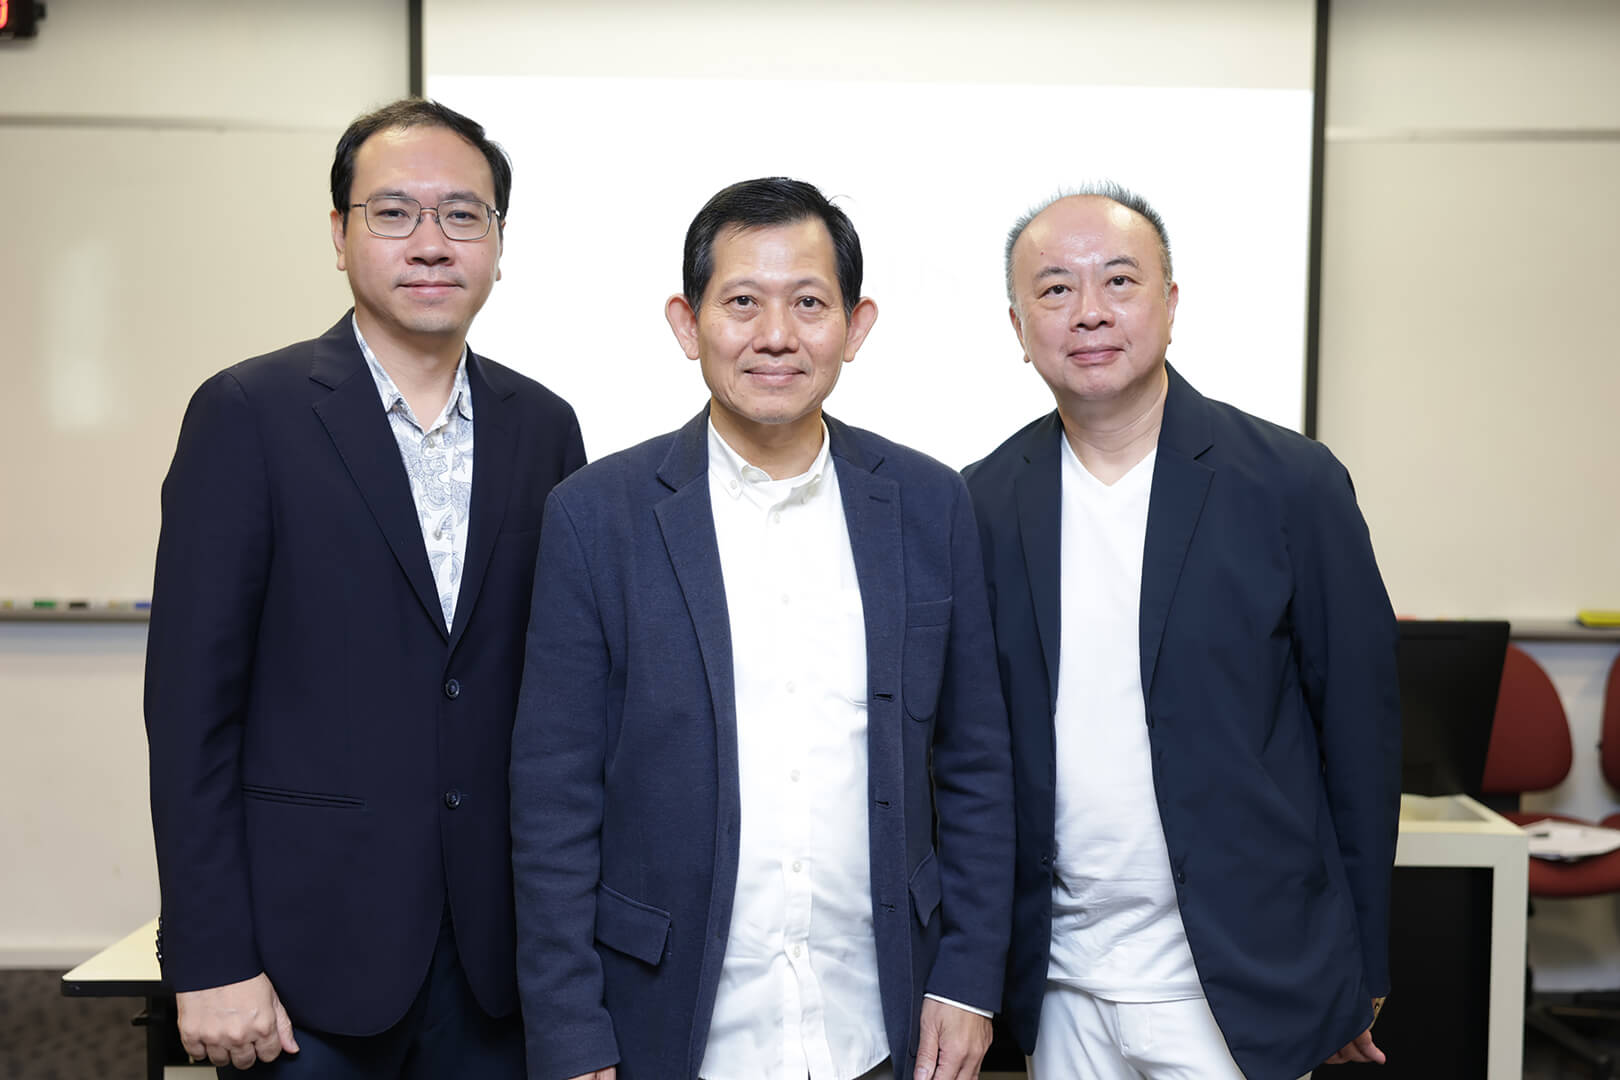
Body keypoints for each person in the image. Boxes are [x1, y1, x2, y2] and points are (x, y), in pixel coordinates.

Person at [509, 177, 1013, 1080]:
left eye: (809, 303)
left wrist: (970, 982)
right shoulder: (596, 517)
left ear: (855, 328)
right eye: (742, 302)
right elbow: (553, 798)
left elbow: (975, 765)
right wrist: (569, 1031)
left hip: (882, 1022)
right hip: (666, 1026)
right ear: (685, 321)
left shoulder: (930, 504)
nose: (775, 335)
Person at [144, 98, 586, 1076]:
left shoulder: (545, 428)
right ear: (340, 236)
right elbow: (189, 716)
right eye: (394, 213)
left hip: (496, 966)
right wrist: (212, 957)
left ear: (499, 245)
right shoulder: (247, 415)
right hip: (304, 972)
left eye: (463, 215)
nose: (431, 243)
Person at [962, 184, 1401, 1079]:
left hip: (1237, 980)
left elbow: (1359, 733)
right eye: (1054, 291)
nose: (1089, 312)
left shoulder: (1291, 485)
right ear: (1017, 327)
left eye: (1119, 281)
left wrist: (1359, 966)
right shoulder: (981, 501)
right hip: (1058, 986)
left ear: (1171, 303)